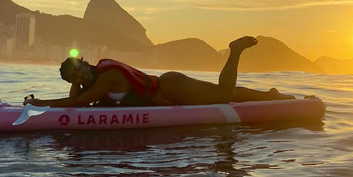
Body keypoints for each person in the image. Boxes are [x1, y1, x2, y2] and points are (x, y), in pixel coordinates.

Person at [24, 36, 294, 107]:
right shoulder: (95, 77)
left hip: (170, 88)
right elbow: (78, 97)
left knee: (223, 96)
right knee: (225, 95)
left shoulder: (107, 77)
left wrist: (40, 104)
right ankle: (270, 96)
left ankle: (234, 51)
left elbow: (78, 103)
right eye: (74, 77)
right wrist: (74, 80)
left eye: (79, 70)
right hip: (169, 90)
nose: (79, 77)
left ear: (86, 62)